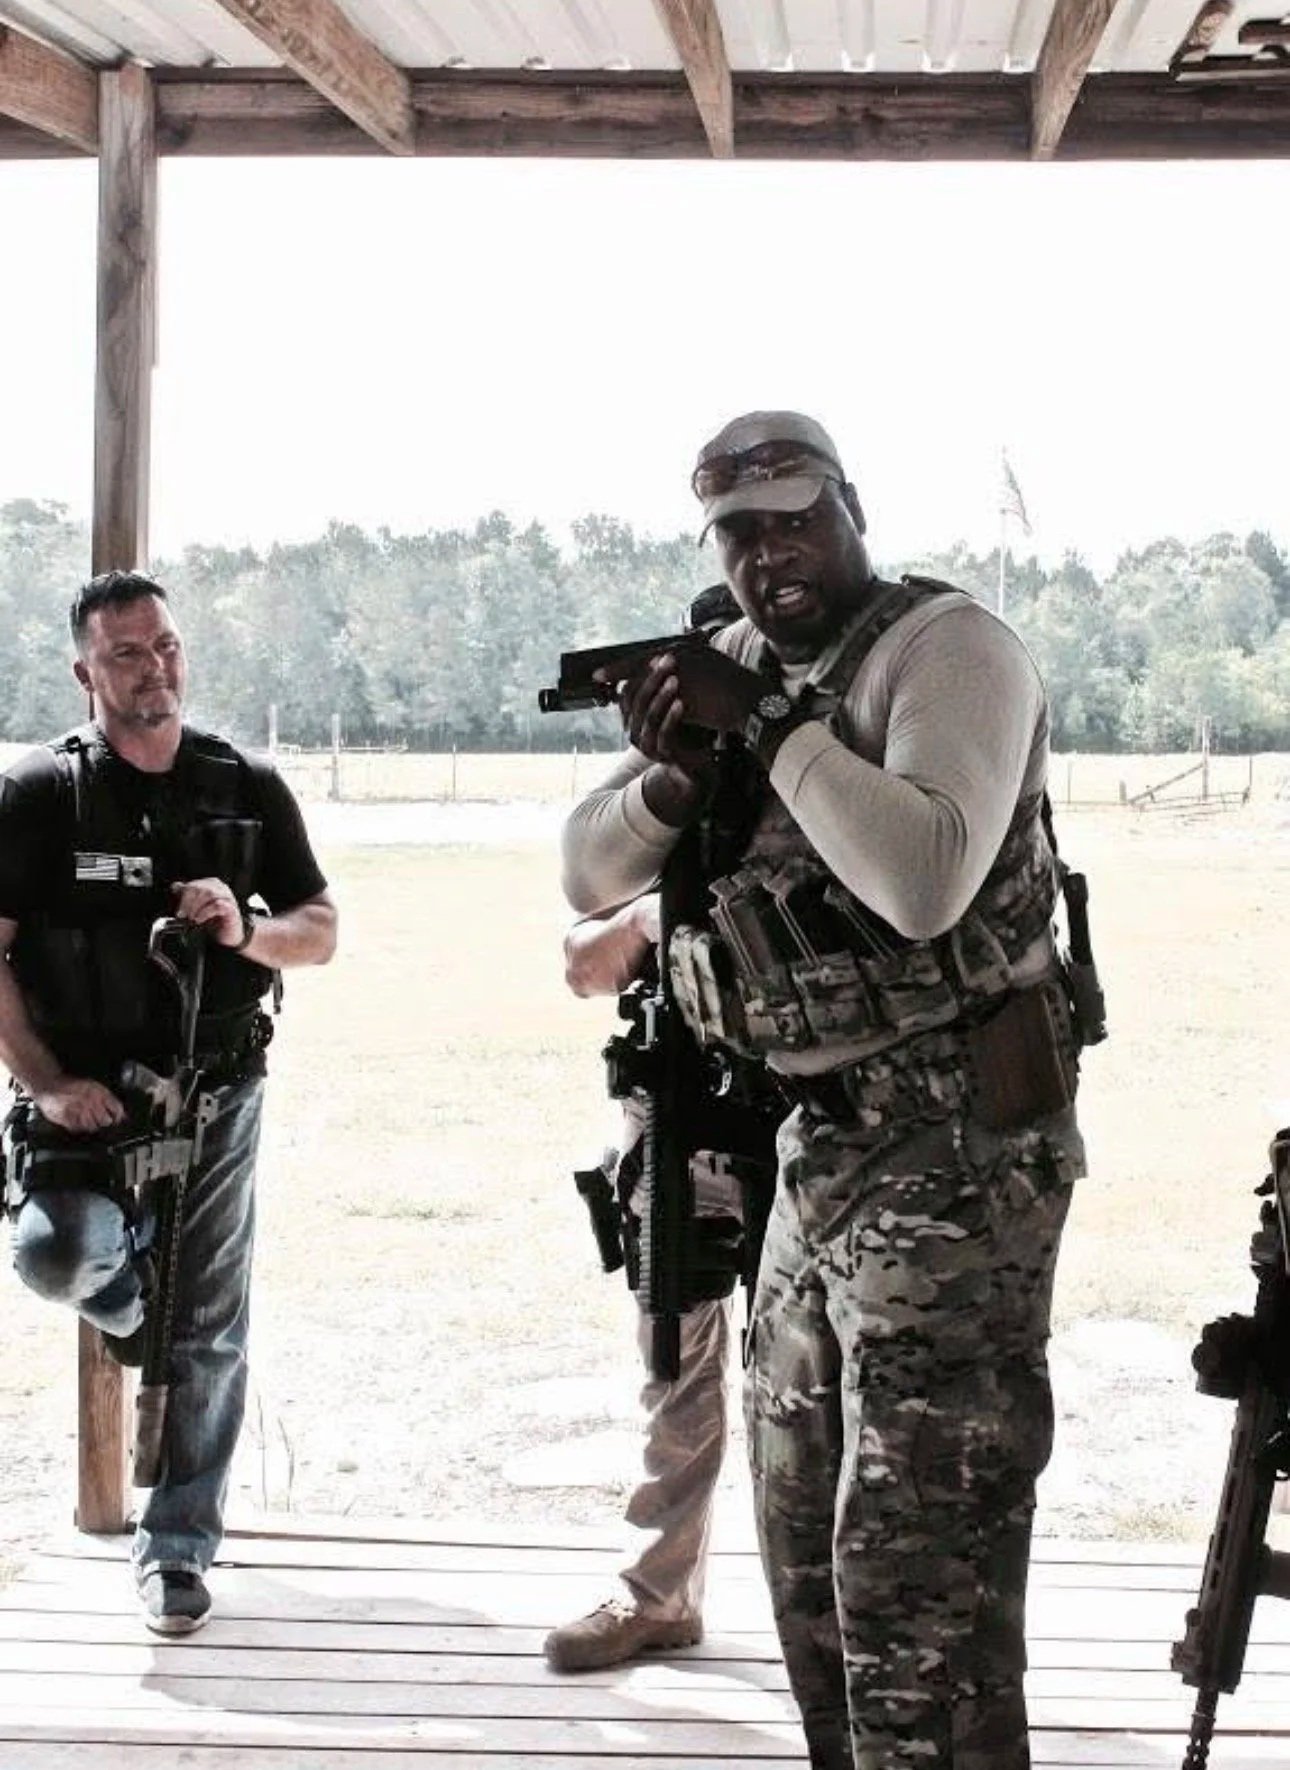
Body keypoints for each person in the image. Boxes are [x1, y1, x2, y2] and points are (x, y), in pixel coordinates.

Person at [560, 411, 1089, 1768]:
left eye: (795, 516)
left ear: (849, 507)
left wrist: (778, 725)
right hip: (817, 1141)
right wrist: (678, 772)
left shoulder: (946, 650)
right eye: (738, 531)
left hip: (956, 1145)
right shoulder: (729, 660)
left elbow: (922, 883)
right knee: (802, 1536)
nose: (769, 553)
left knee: (921, 1557)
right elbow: (584, 871)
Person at [0, 570, 336, 1636]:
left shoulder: (245, 784)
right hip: (82, 1099)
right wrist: (46, 1084)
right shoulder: (42, 794)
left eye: (168, 646)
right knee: (58, 1254)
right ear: (85, 670)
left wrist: (244, 927)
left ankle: (177, 1548)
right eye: (128, 653)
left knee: (213, 1322)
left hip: (216, 1091)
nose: (157, 669)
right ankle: (137, 1317)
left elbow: (320, 930)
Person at [544, 892, 779, 1673]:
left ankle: (841, 1614)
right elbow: (582, 965)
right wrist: (648, 917)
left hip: (814, 1105)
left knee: (816, 1386)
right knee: (673, 1366)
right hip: (677, 1117)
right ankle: (658, 1597)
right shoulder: (662, 797)